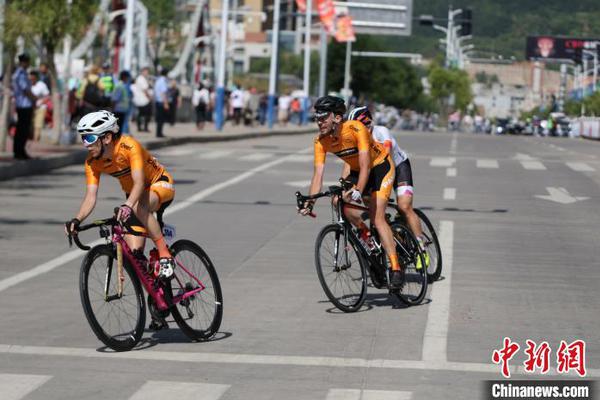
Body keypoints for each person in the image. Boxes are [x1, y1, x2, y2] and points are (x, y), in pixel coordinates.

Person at [297, 96, 404, 289]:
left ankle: (396, 268)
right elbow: (317, 175)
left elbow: (366, 166)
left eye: (323, 117)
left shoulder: (356, 128)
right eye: (317, 118)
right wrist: (310, 201)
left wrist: (358, 191)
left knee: (377, 217)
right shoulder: (321, 141)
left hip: (380, 167)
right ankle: (366, 237)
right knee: (337, 200)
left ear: (337, 118)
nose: (319, 122)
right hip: (357, 171)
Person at [64, 110, 176, 282]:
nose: (86, 144)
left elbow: (139, 183)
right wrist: (76, 220)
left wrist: (127, 205)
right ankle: (159, 295)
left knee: (139, 206)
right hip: (135, 198)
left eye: (90, 138)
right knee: (134, 256)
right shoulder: (92, 162)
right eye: (83, 138)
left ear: (107, 138)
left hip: (158, 184)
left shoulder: (129, 146)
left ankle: (164, 254)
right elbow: (91, 196)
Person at [348, 106, 429, 269]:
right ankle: (390, 229)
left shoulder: (381, 132)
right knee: (368, 203)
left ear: (368, 125)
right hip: (374, 169)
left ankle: (422, 248)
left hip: (398, 166)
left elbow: (386, 155)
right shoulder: (356, 139)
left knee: (404, 206)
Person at [11, 53, 35, 159]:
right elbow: (26, 90)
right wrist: (34, 99)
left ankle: (21, 151)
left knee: (23, 129)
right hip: (23, 105)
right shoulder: (20, 74)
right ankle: (18, 152)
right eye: (27, 61)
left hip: (24, 105)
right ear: (23, 62)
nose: (28, 63)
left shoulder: (22, 73)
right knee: (22, 129)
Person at [29, 70, 51, 142]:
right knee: (30, 124)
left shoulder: (41, 85)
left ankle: (36, 141)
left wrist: (41, 102)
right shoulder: (28, 84)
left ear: (36, 78)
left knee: (38, 125)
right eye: (30, 79)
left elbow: (48, 96)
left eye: (33, 79)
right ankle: (31, 139)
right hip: (30, 108)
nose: (32, 80)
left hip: (40, 108)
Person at [132, 67, 152, 132]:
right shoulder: (142, 79)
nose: (147, 73)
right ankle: (144, 128)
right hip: (144, 100)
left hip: (140, 100)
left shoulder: (140, 78)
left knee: (140, 114)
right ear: (142, 72)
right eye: (145, 71)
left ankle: (140, 128)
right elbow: (145, 90)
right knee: (146, 114)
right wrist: (149, 97)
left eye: (147, 72)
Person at [153, 68, 169, 138]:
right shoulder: (163, 81)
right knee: (161, 119)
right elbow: (163, 93)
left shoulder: (158, 80)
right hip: (161, 102)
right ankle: (159, 133)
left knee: (159, 118)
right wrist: (165, 103)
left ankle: (158, 133)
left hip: (157, 101)